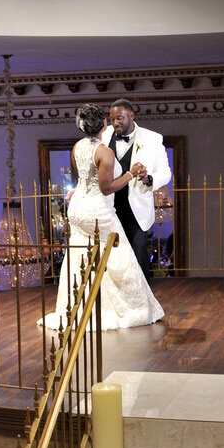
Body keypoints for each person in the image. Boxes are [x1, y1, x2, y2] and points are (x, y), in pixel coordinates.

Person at [41, 104, 164, 332]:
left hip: (77, 210)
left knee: (82, 254)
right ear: (104, 124)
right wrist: (130, 174)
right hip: (98, 211)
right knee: (121, 253)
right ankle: (132, 309)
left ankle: (79, 305)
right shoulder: (105, 152)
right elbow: (106, 188)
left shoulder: (77, 147)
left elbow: (83, 180)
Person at [101, 99, 172, 279]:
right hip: (109, 206)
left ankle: (144, 298)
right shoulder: (105, 135)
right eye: (112, 119)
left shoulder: (152, 139)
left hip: (136, 208)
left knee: (139, 250)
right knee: (111, 254)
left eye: (120, 118)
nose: (115, 123)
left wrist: (149, 179)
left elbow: (166, 172)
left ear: (131, 115)